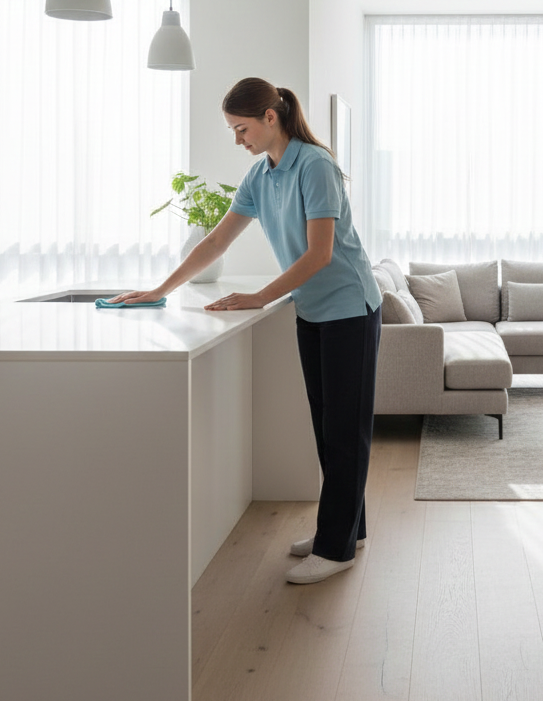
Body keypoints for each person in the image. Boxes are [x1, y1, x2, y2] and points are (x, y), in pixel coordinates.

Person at [111, 77, 381, 584]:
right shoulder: (261, 174)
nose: (238, 140)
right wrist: (159, 289)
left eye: (242, 129)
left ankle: (336, 548)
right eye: (234, 131)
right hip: (313, 311)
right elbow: (216, 242)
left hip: (350, 308)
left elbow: (320, 254)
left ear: (270, 118)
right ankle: (348, 528)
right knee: (327, 428)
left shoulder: (315, 165)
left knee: (346, 431)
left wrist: (260, 296)